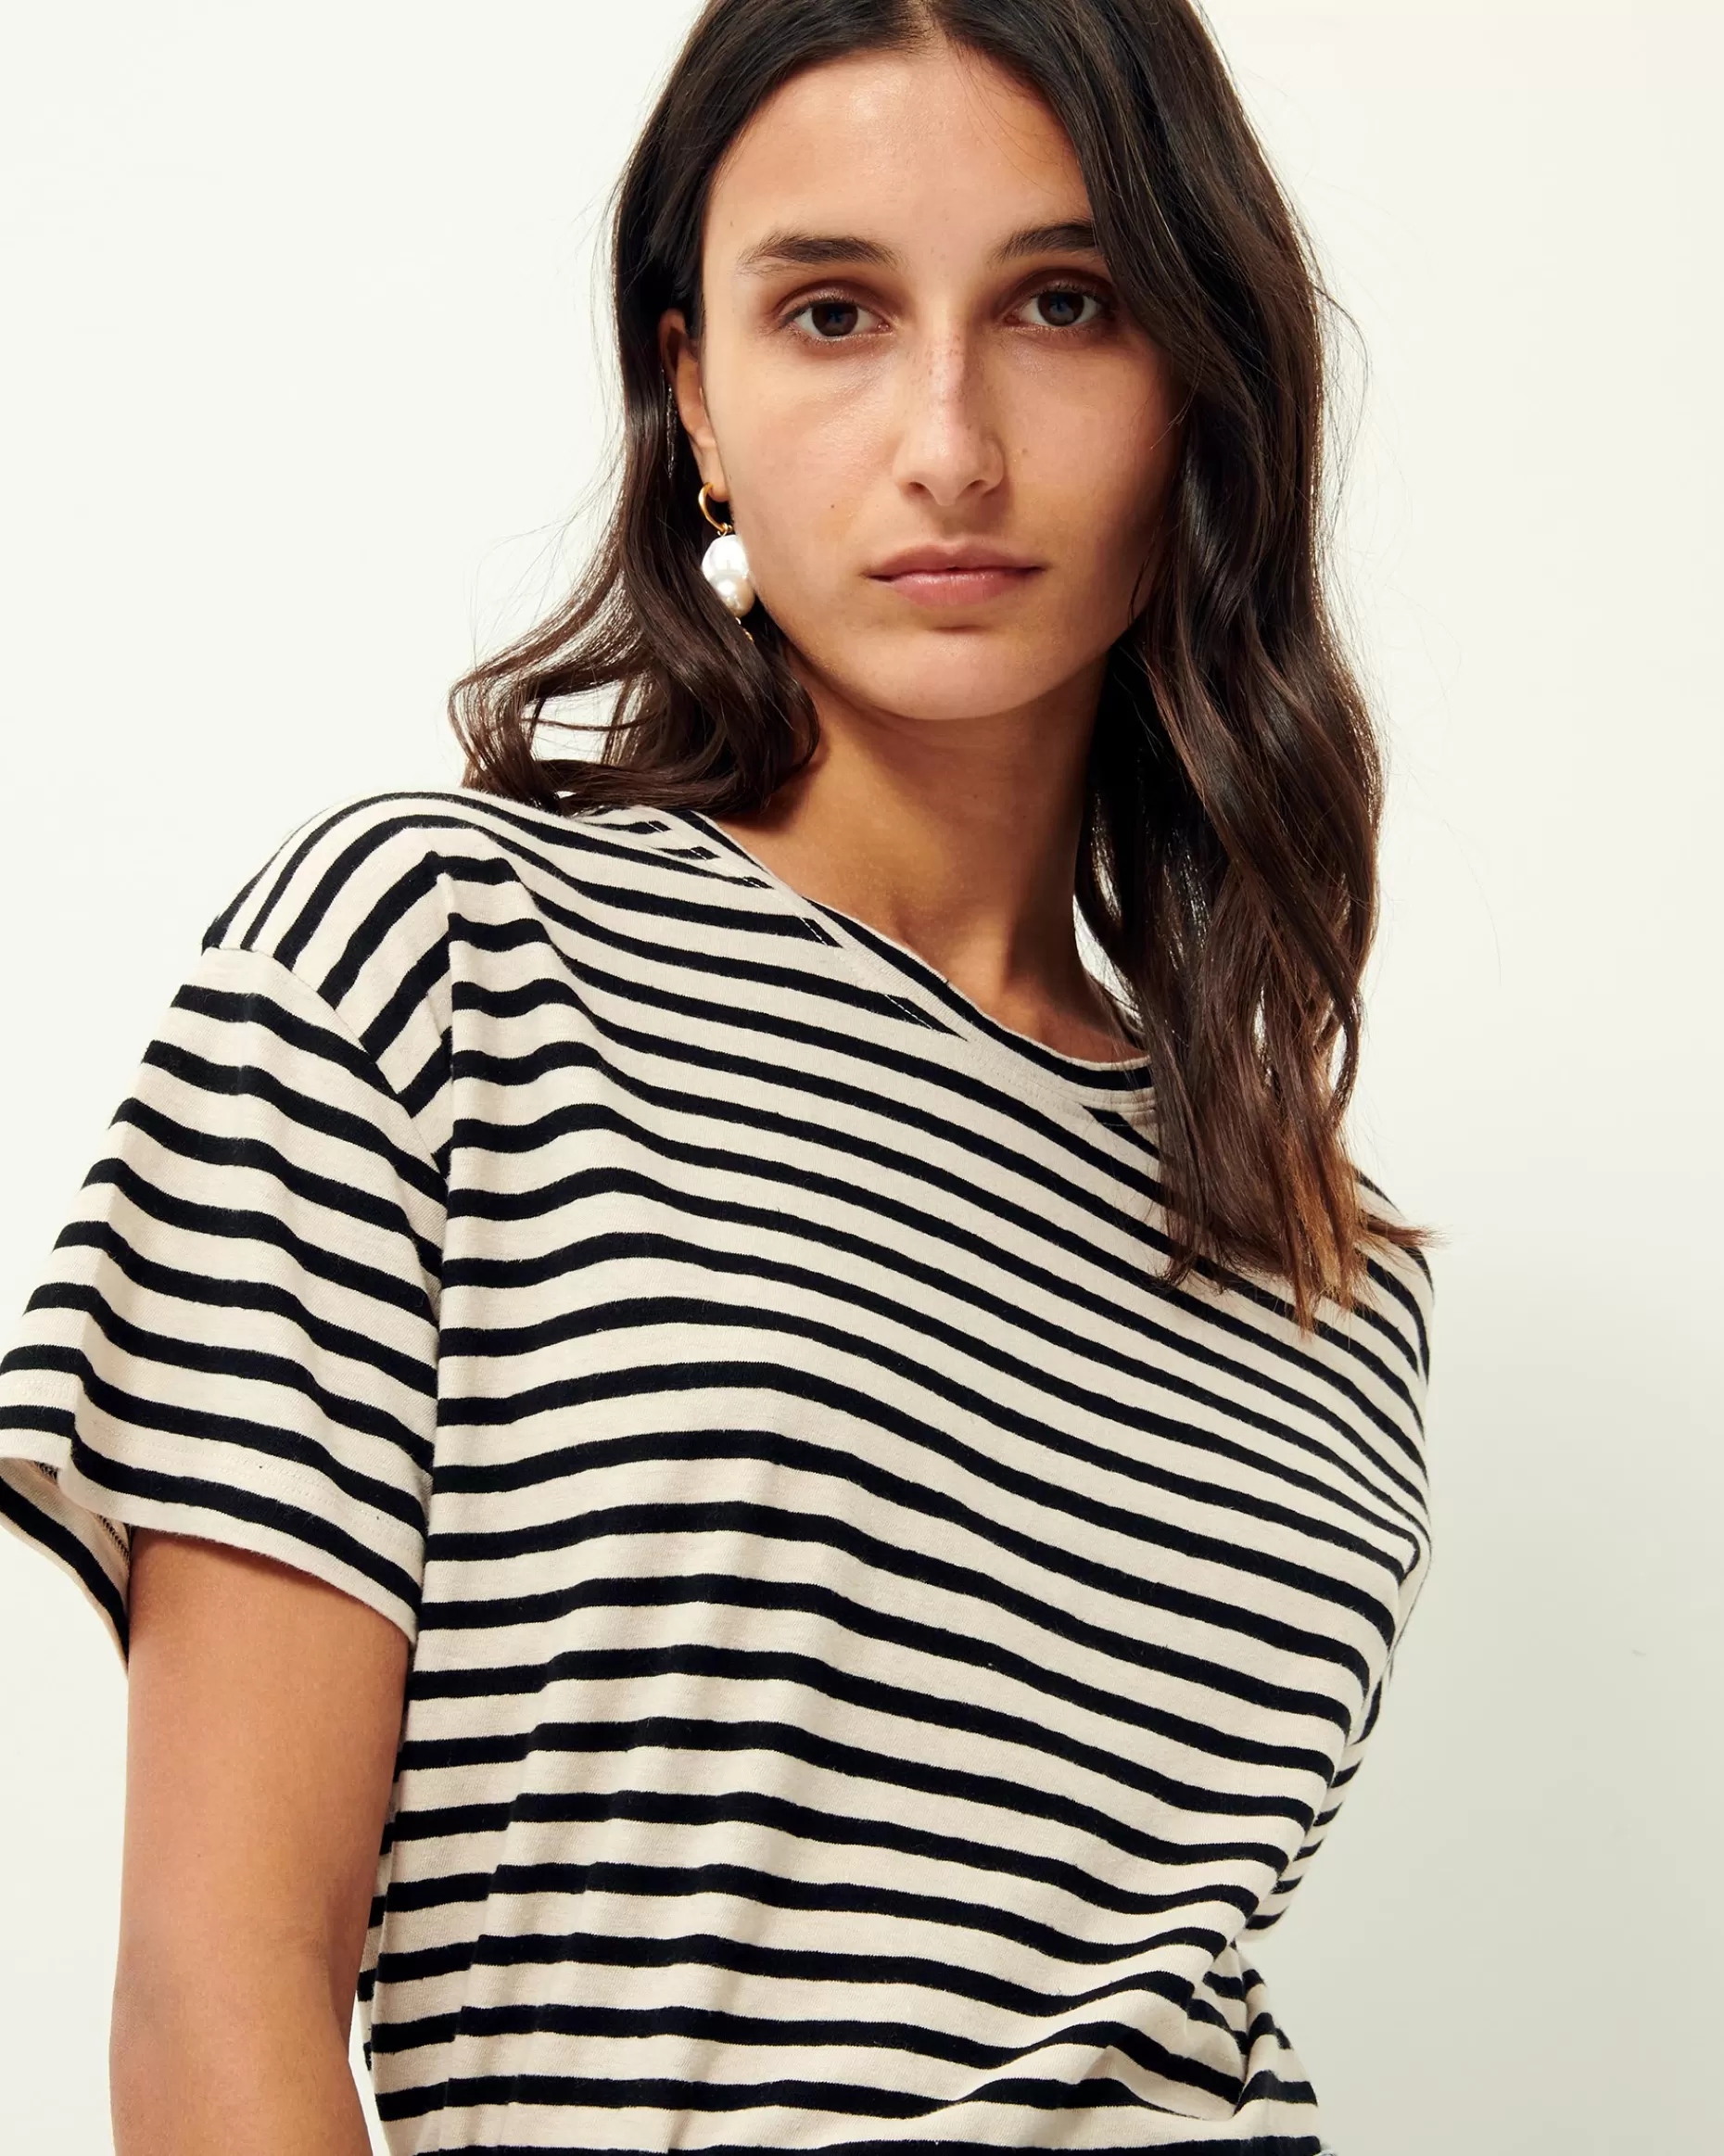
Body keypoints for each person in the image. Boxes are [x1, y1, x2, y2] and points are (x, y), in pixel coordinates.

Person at [0, 2, 1433, 2150]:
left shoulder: (1327, 1267)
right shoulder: (435, 963)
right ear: (695, 394)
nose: (950, 442)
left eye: (1064, 302)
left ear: (1198, 378)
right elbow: (218, 1995)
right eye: (834, 311)